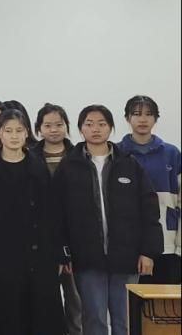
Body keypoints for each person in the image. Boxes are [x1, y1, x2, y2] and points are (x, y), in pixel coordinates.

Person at [52, 105, 161, 335]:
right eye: (89, 124)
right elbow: (58, 215)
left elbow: (149, 210)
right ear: (80, 129)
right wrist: (63, 252)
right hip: (87, 258)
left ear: (111, 128)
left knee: (125, 320)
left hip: (127, 257)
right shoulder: (69, 166)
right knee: (94, 320)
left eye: (102, 124)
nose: (96, 129)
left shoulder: (129, 164)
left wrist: (148, 251)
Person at [0, 109, 66, 335]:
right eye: (8, 131)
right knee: (7, 314)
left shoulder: (38, 167)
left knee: (42, 315)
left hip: (40, 253)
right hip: (3, 253)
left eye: (19, 130)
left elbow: (52, 215)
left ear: (27, 133)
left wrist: (59, 253)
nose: (14, 136)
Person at [31, 102, 84, 335]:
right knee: (44, 299)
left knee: (76, 299)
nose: (54, 130)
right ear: (38, 129)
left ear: (66, 126)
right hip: (41, 238)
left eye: (59, 124)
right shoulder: (29, 156)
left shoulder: (80, 156)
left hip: (76, 236)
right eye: (48, 125)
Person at [118, 95, 181, 284]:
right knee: (130, 299)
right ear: (127, 118)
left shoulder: (172, 153)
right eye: (137, 114)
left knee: (165, 300)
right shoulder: (117, 153)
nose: (143, 119)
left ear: (156, 118)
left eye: (148, 114)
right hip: (126, 243)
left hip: (167, 242)